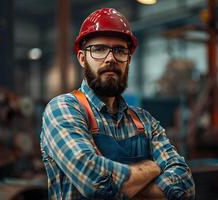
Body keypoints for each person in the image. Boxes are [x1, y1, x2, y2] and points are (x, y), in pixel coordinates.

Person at [40, 8, 195, 200]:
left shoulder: (145, 122)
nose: (111, 58)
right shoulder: (64, 109)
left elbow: (184, 187)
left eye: (120, 50)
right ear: (82, 58)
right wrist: (152, 168)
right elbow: (96, 184)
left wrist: (122, 186)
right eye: (99, 49)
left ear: (128, 60)